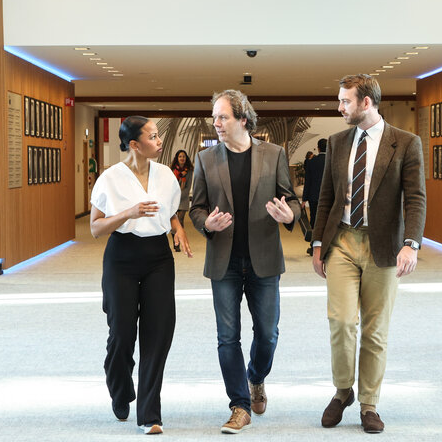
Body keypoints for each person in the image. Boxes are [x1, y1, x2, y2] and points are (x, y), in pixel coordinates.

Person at [311, 74, 426, 434]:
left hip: (385, 246)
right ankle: (343, 390)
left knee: (375, 330)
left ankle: (369, 403)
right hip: (342, 241)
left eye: (345, 101)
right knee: (342, 322)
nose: (339, 107)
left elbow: (416, 198)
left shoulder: (405, 143)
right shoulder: (338, 141)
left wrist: (412, 243)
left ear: (366, 103)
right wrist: (317, 244)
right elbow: (326, 198)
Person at [189, 89, 300, 434]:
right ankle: (239, 405)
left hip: (263, 259)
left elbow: (293, 200)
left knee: (267, 334)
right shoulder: (206, 160)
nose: (216, 123)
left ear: (242, 119)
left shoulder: (274, 154)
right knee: (227, 337)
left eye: (222, 117)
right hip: (224, 261)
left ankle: (256, 377)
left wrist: (288, 215)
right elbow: (196, 208)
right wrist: (205, 224)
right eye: (214, 118)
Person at [89, 116, 193, 435]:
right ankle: (120, 389)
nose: (159, 141)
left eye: (158, 135)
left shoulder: (166, 176)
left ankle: (150, 413)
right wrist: (128, 213)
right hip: (121, 256)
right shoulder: (111, 178)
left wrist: (177, 230)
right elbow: (95, 227)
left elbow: (170, 210)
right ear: (134, 144)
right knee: (121, 333)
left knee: (158, 333)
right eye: (152, 136)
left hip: (158, 258)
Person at [302, 138, 327, 256]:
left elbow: (308, 181)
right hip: (329, 198)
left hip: (314, 197)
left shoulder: (311, 162)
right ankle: (327, 247)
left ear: (318, 148)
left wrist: (304, 199)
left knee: (314, 220)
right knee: (328, 221)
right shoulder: (332, 161)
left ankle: (313, 246)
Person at [170, 149, 194, 252]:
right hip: (172, 198)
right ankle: (176, 243)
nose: (182, 158)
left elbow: (188, 187)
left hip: (183, 199)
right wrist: (174, 196)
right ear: (177, 158)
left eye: (183, 156)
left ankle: (179, 242)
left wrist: (179, 195)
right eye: (180, 156)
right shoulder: (172, 170)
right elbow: (170, 185)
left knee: (180, 220)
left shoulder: (189, 171)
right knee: (173, 221)